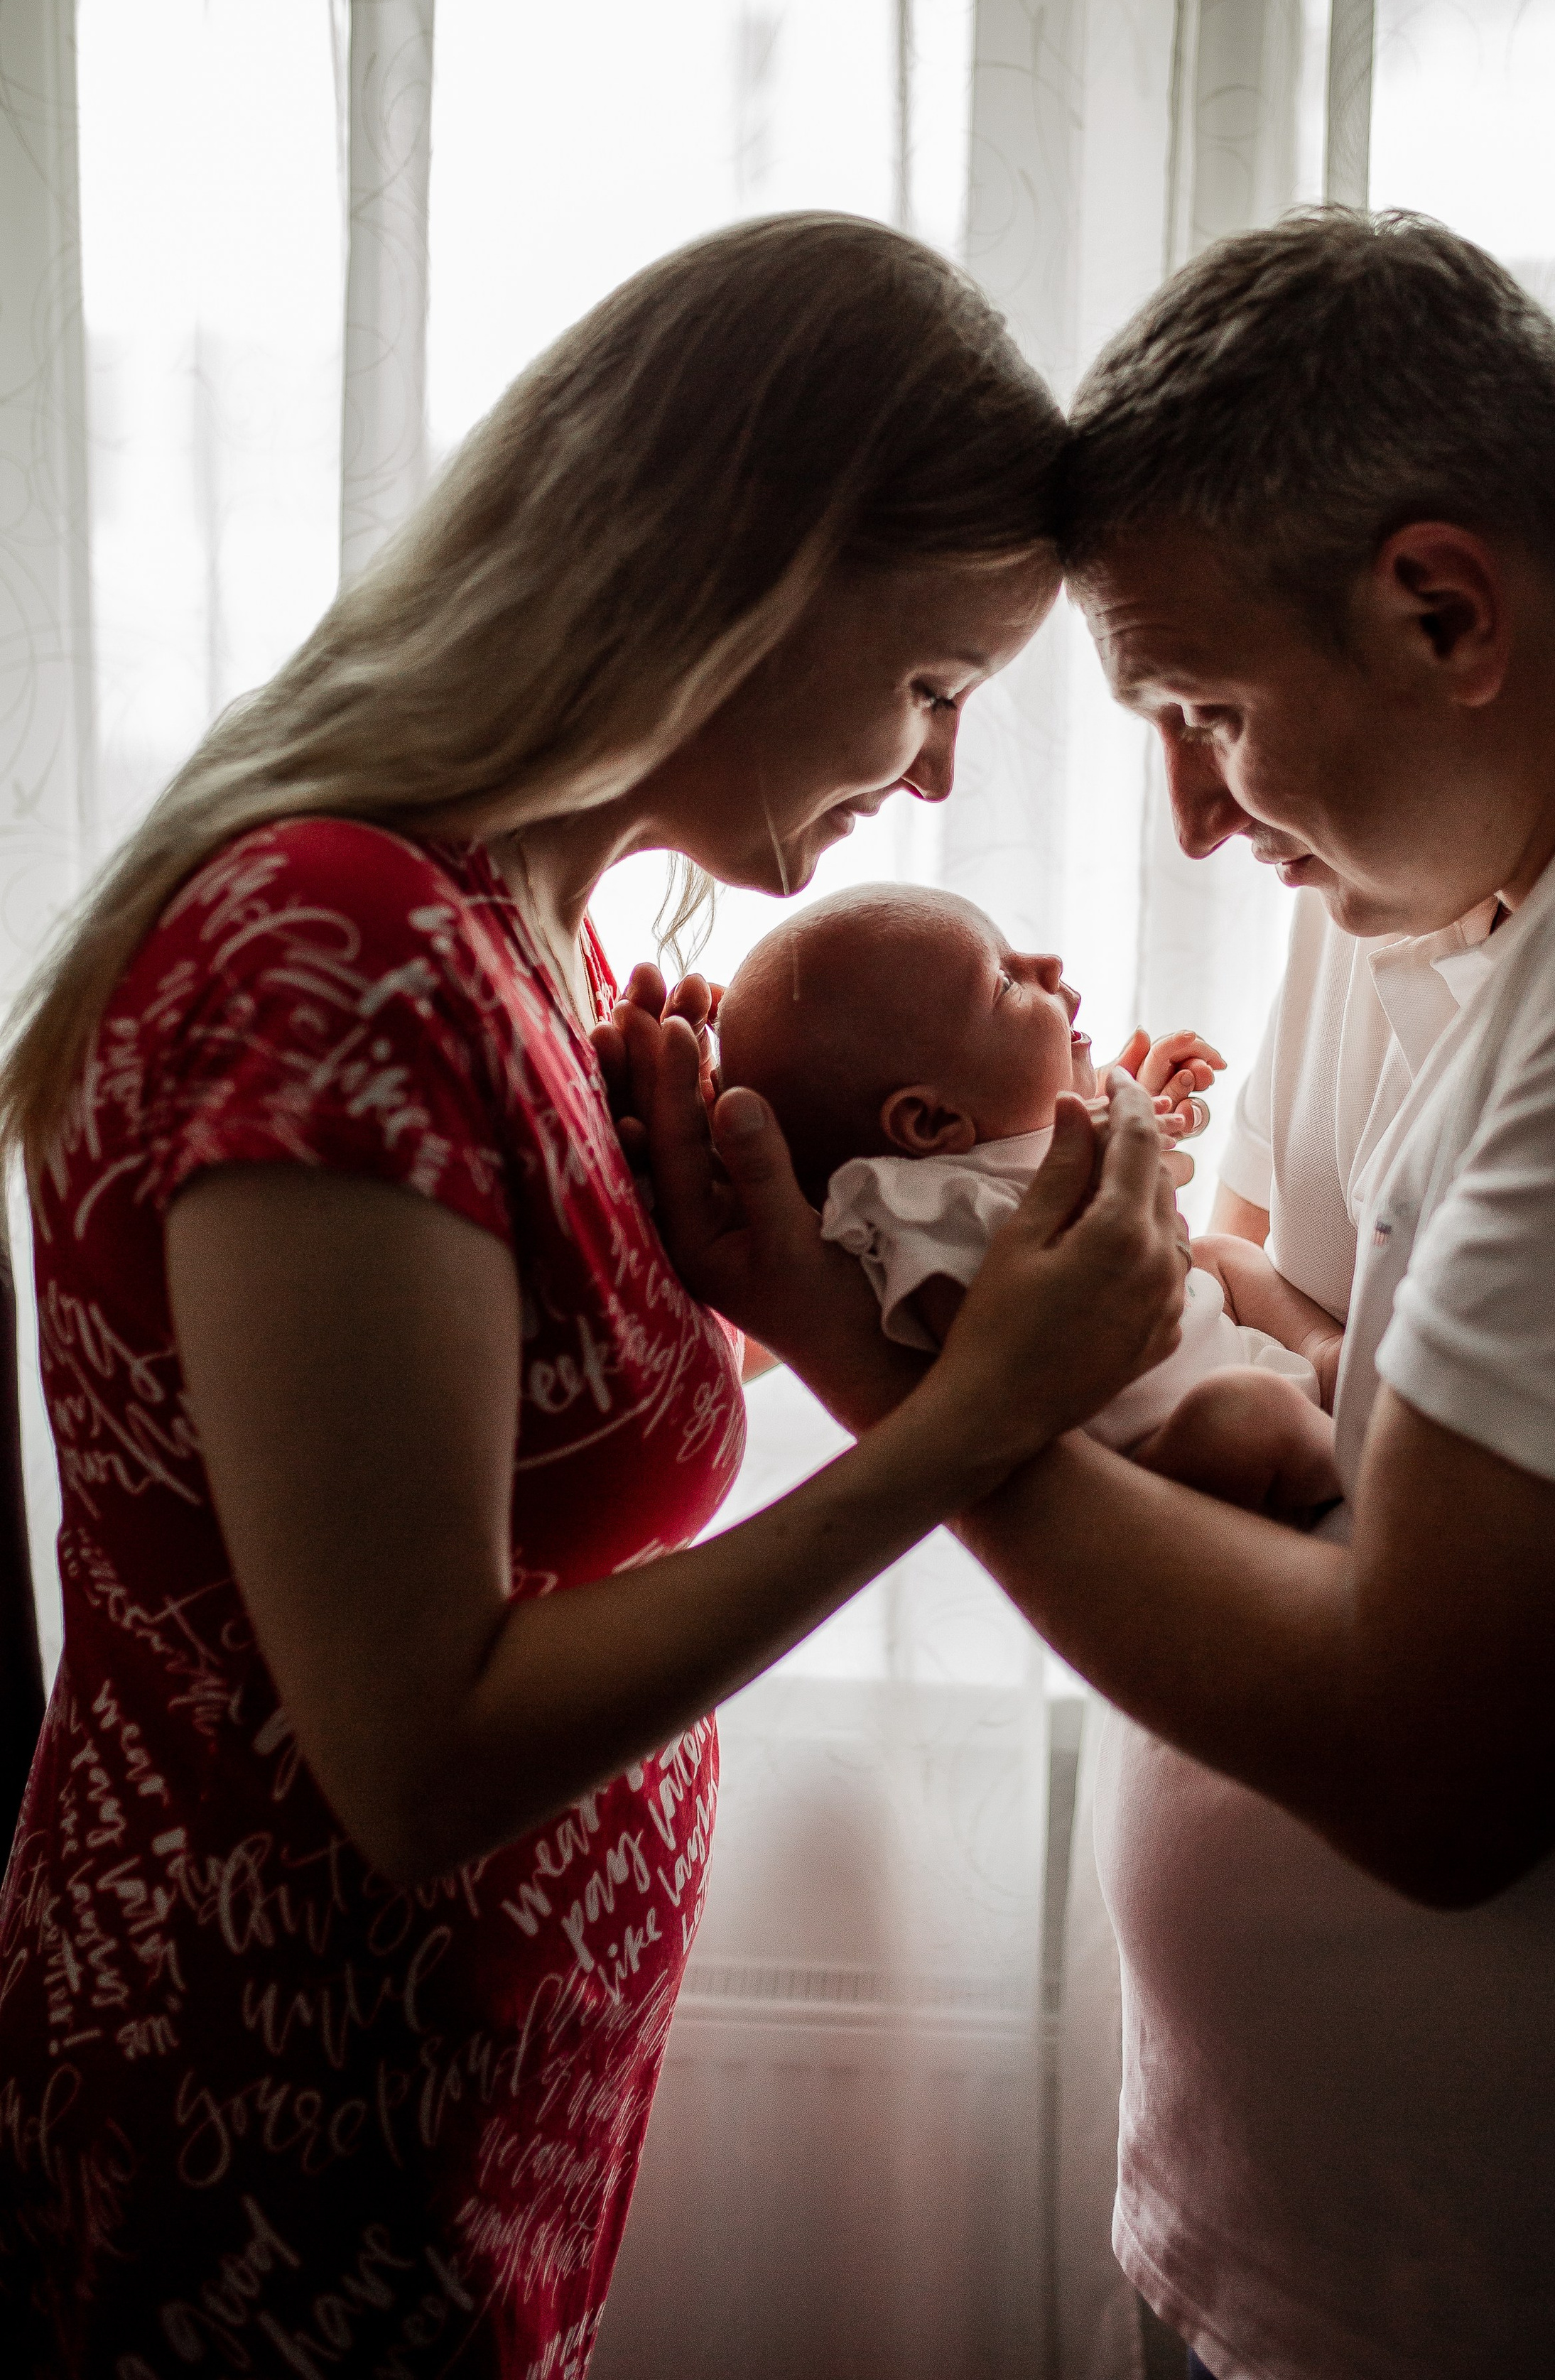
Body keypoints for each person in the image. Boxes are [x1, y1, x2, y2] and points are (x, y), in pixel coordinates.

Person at [624, 208, 1555, 2378]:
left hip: (1548, 2298)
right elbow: (1240, 1353)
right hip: (1286, 2235)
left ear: (1439, 605)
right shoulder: (1441, 854)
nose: (1188, 821)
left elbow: (1421, 1750)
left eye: (1203, 711)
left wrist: (868, 1364)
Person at [0, 214, 1192, 2378]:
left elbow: (498, 1436)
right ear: (753, 578)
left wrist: (768, 1285)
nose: (934, 769)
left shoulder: (533, 939)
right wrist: (954, 1427)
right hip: (284, 2153)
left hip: (465, 2134)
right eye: (933, 682)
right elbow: (422, 1750)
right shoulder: (334, 943)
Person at [715, 882, 1338, 1514]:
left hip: (1229, 1360)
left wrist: (1130, 1117)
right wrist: (1122, 1180)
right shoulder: (923, 1208)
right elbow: (999, 1348)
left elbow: (1049, 1161)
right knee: (1245, 1415)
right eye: (1005, 984)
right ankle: (1352, 1459)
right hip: (1165, 1463)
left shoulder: (992, 1152)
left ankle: (1322, 1353)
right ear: (929, 1122)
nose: (1047, 966)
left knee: (1223, 1253)